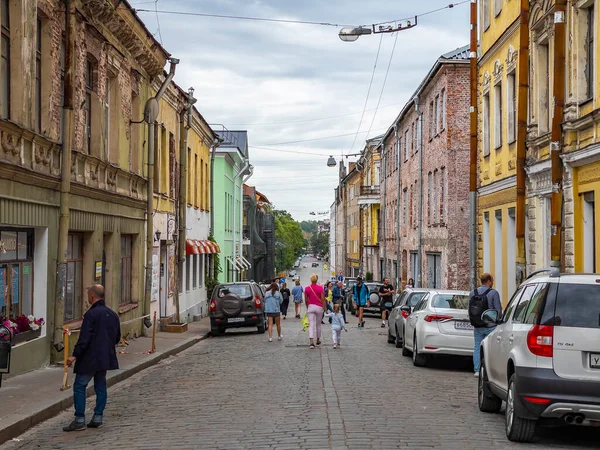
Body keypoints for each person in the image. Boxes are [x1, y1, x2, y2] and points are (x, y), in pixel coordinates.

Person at [63, 285, 120, 432]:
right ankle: (98, 417)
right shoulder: (112, 314)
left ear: (92, 296)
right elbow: (117, 337)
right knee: (100, 386)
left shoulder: (91, 315)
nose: (87, 298)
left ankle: (79, 419)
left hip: (90, 357)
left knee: (80, 386)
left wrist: (74, 355)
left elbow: (84, 338)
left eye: (88, 295)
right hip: (105, 358)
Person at [469, 272, 502, 377]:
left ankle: (477, 370)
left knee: (477, 347)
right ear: (488, 281)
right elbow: (498, 310)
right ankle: (489, 370)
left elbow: (469, 309)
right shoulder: (493, 293)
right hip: (490, 326)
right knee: (490, 348)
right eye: (491, 281)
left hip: (477, 325)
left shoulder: (472, 293)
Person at [305, 274, 326, 349]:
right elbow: (323, 298)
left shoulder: (307, 288)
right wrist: (324, 308)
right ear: (316, 280)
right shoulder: (320, 288)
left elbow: (306, 300)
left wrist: (308, 307)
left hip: (311, 306)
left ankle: (311, 342)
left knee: (311, 324)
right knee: (318, 325)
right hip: (319, 307)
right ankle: (318, 340)